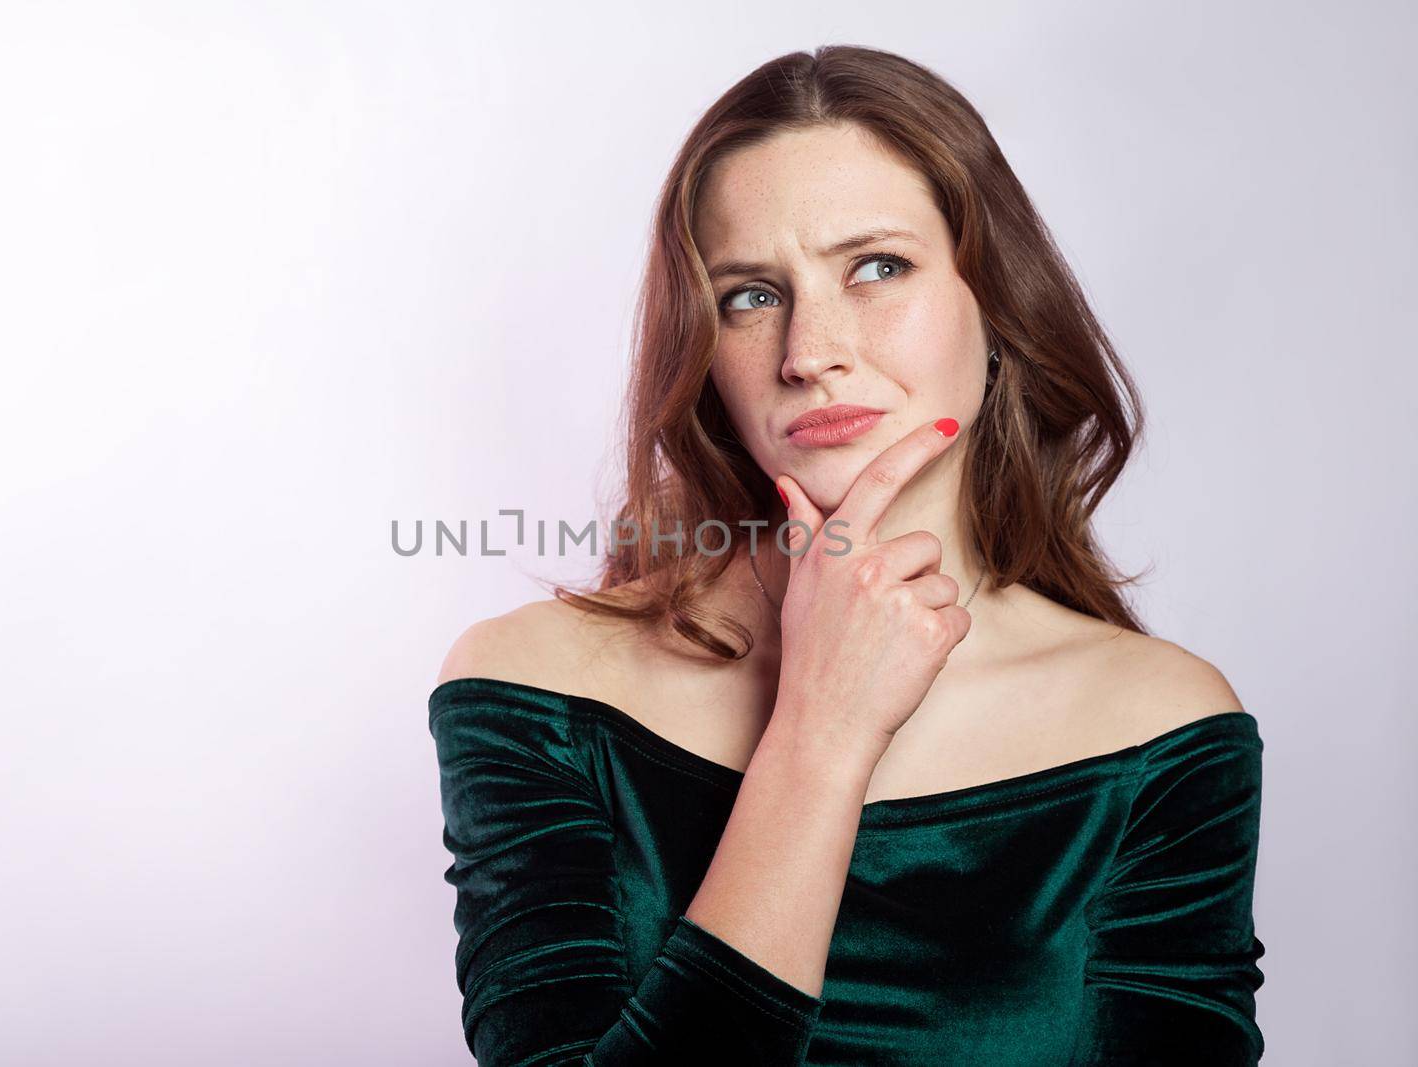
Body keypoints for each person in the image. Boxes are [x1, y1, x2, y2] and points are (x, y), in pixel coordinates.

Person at [428, 45, 1264, 1065]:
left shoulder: (1160, 725)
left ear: (996, 306)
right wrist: (820, 731)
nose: (808, 350)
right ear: (703, 355)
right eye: (748, 294)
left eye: (877, 267)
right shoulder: (535, 687)